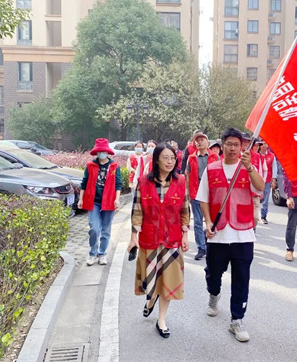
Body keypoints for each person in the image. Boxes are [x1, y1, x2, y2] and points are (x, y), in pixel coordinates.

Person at [197, 128, 264, 342]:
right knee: (213, 274)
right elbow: (203, 199)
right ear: (222, 145)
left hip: (243, 234)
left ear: (242, 146)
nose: (233, 148)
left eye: (237, 144)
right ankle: (213, 295)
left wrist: (250, 167)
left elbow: (260, 187)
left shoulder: (248, 168)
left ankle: (237, 320)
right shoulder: (211, 169)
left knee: (241, 279)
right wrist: (208, 221)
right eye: (229, 144)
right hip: (218, 234)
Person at [127, 143, 189, 339]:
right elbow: (137, 211)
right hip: (150, 238)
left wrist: (185, 234)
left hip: (172, 240)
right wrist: (133, 237)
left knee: (168, 281)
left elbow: (184, 210)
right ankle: (151, 298)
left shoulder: (180, 181)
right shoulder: (144, 182)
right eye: (165, 158)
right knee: (152, 281)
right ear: (156, 160)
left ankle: (161, 320)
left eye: (172, 158)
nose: (170, 162)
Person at [78, 138, 122, 266]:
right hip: (94, 202)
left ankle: (102, 253)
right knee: (94, 228)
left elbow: (118, 184)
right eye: (99, 151)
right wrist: (81, 199)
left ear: (107, 152)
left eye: (103, 151)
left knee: (106, 230)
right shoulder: (90, 166)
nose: (101, 153)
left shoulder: (114, 166)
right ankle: (92, 253)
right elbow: (84, 183)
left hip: (109, 202)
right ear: (96, 152)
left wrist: (117, 199)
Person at [186, 132, 219, 260]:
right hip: (196, 193)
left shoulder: (215, 157)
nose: (199, 142)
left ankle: (212, 245)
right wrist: (188, 193)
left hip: (212, 194)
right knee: (198, 223)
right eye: (197, 140)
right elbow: (188, 176)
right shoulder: (191, 158)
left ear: (207, 143)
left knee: (212, 220)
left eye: (202, 140)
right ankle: (201, 248)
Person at [241, 133, 266, 231]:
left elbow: (260, 172)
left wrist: (261, 190)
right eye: (243, 141)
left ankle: (252, 229)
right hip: (241, 191)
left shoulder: (256, 156)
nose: (245, 144)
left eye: (247, 141)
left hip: (254, 192)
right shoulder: (235, 155)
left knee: (255, 217)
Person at [258, 140, 275, 224]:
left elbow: (274, 168)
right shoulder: (256, 154)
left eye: (265, 143)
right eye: (262, 144)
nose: (264, 145)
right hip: (257, 180)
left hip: (267, 180)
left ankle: (263, 216)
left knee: (265, 199)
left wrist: (274, 179)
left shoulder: (271, 156)